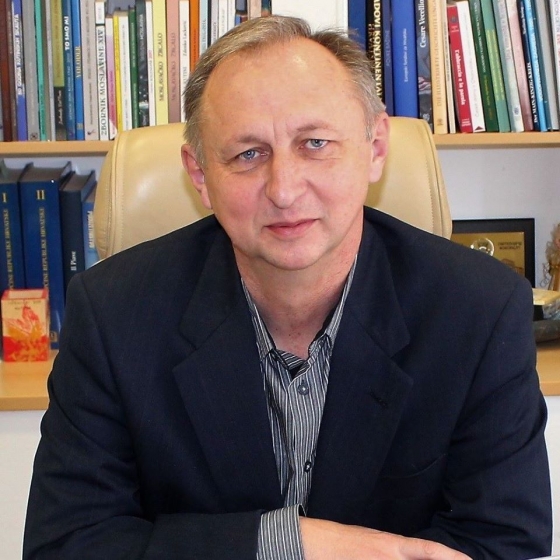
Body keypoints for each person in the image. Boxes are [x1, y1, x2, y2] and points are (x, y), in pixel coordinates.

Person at [24, 15, 551, 560]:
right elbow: (65, 544)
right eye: (248, 154)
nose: (284, 189)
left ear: (374, 148)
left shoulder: (479, 310)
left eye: (315, 143)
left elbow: (503, 541)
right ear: (200, 175)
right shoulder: (113, 315)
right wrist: (291, 542)